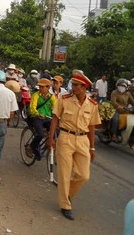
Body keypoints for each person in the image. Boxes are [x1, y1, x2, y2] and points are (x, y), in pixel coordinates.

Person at [47, 69, 101, 221]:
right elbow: (55, 119)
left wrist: (92, 147)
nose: (73, 87)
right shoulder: (64, 99)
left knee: (84, 175)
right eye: (73, 84)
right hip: (65, 137)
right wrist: (51, 138)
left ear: (84, 88)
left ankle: (68, 194)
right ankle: (65, 205)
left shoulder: (92, 104)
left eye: (77, 85)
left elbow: (92, 127)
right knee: (64, 173)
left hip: (83, 140)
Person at [28, 78, 56, 160]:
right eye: (40, 86)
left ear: (48, 88)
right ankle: (31, 146)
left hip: (48, 118)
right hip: (36, 118)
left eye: (42, 87)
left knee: (56, 132)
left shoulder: (52, 97)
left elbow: (55, 108)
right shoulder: (36, 95)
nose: (40, 88)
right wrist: (38, 114)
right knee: (40, 134)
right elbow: (32, 108)